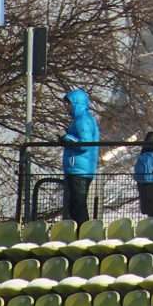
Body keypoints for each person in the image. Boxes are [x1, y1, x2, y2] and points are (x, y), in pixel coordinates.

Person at [59, 87, 99, 225]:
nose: (66, 107)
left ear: (75, 103)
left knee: (78, 206)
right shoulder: (81, 120)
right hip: (78, 168)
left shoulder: (83, 120)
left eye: (68, 104)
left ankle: (84, 234)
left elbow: (85, 144)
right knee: (75, 206)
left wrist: (66, 138)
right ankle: (82, 233)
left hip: (80, 169)